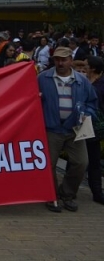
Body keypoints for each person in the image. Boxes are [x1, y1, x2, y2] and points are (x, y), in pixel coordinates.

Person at [38, 46, 98, 213]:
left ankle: (67, 193)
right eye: (57, 59)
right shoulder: (43, 78)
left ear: (71, 60)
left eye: (64, 59)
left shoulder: (82, 80)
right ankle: (52, 196)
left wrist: (87, 114)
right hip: (52, 128)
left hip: (75, 129)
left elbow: (92, 102)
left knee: (81, 162)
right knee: (48, 164)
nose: (60, 63)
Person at [84, 55, 104, 204]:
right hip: (80, 126)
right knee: (77, 160)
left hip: (94, 127)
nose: (84, 66)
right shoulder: (84, 81)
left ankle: (97, 192)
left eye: (86, 64)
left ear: (93, 68)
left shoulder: (101, 85)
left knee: (94, 160)